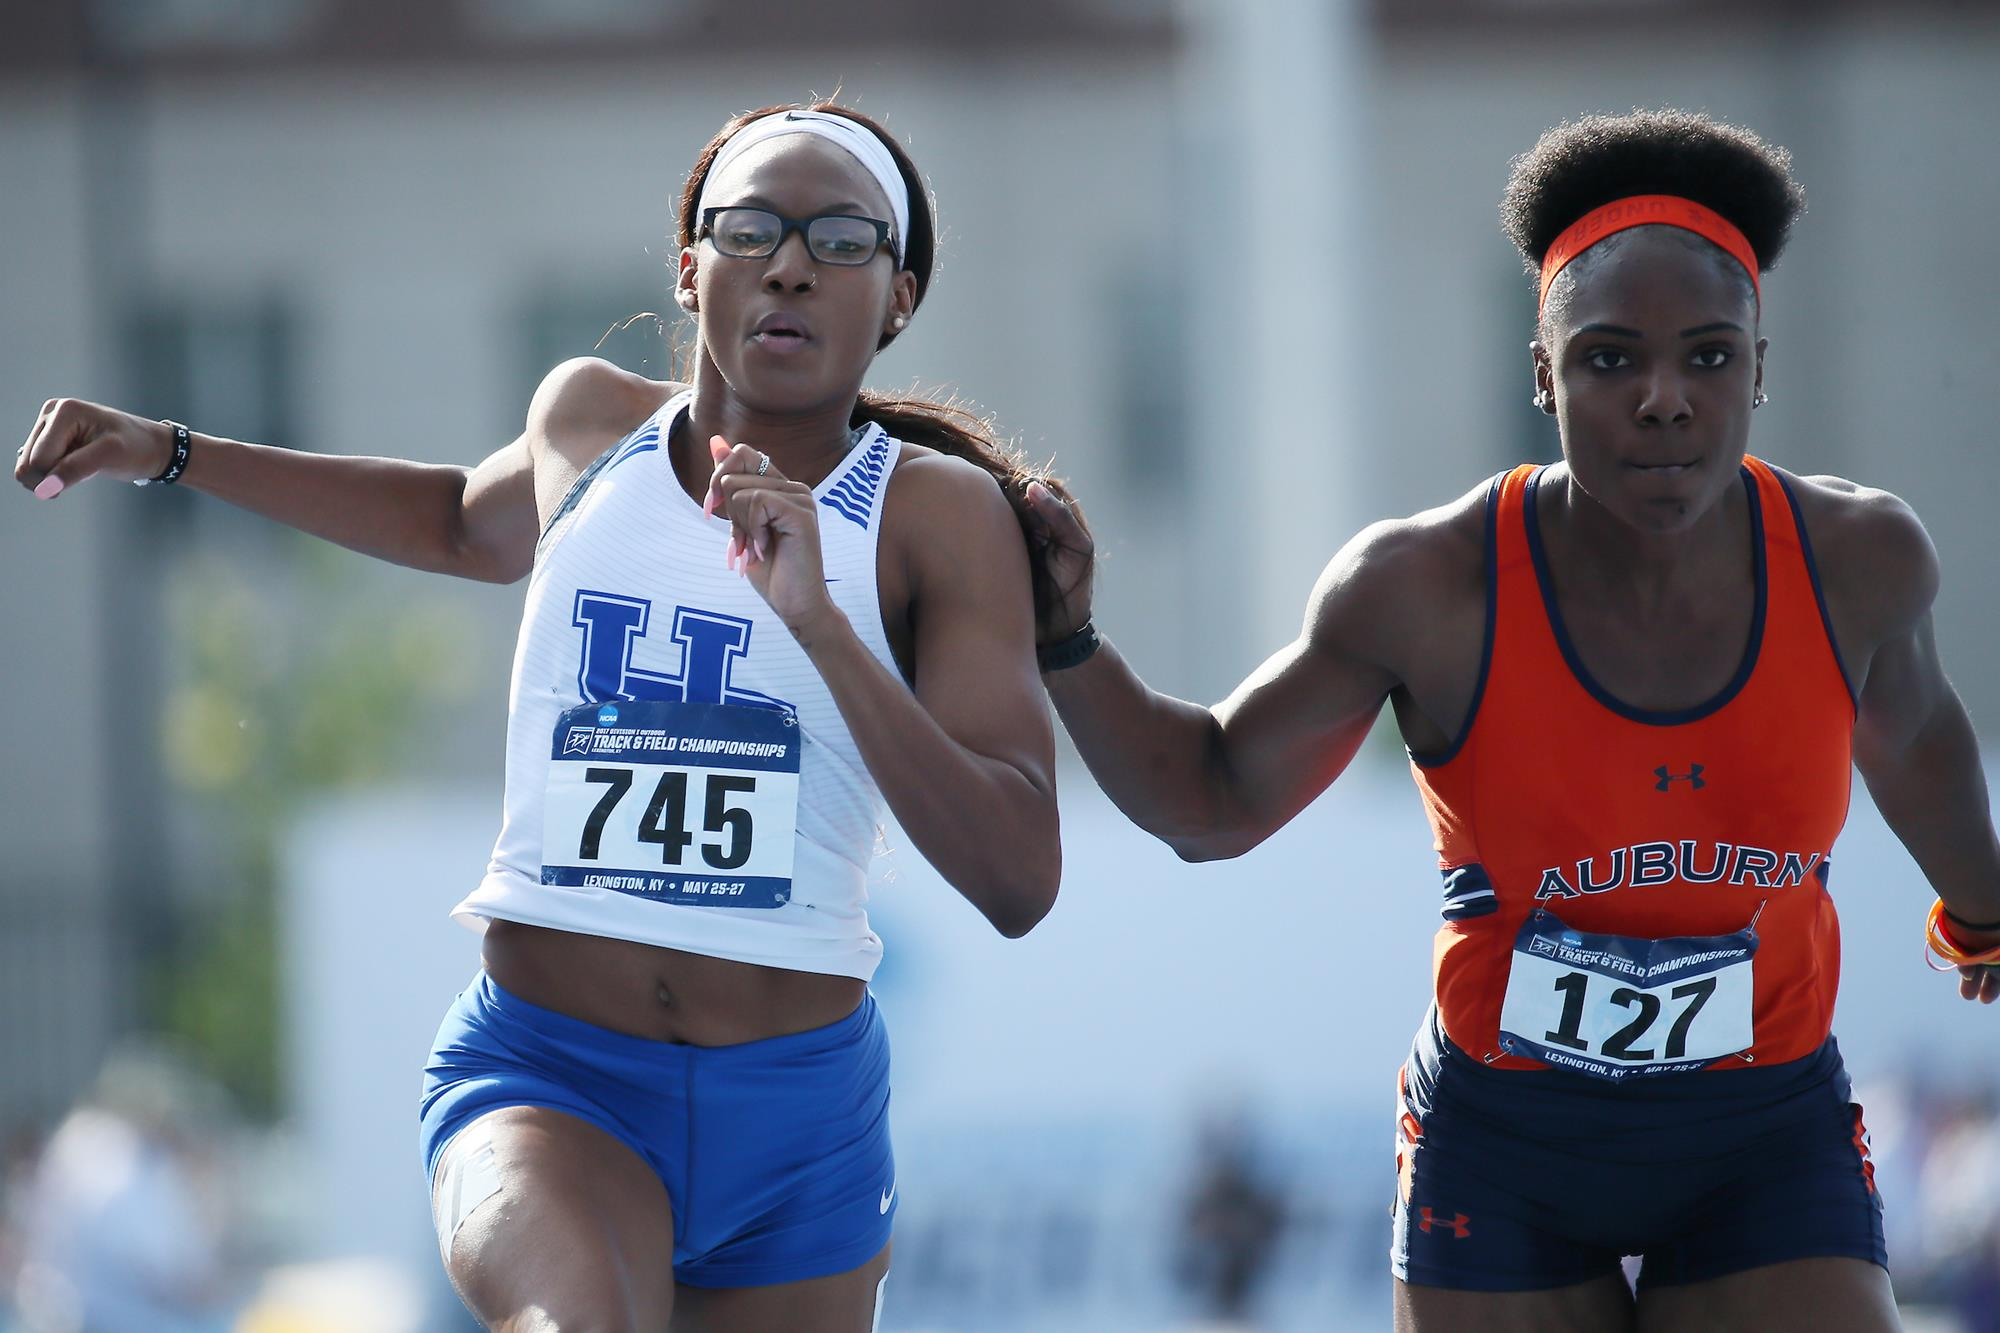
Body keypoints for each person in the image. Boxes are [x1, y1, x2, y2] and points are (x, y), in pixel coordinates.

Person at [17, 101, 1068, 1332]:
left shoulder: (934, 516)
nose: (790, 262)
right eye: (752, 230)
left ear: (897, 297)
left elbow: (1015, 876)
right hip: (553, 1076)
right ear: (690, 268)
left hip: (796, 1117)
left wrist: (822, 625)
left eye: (841, 239)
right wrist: (176, 451)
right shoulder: (587, 424)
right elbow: (456, 520)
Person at [1024, 107, 2000, 1332]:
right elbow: (1210, 800)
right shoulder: (1425, 587)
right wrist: (1064, 636)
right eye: (1606, 358)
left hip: (1760, 1128)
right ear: (1538, 371)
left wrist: (1982, 912)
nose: (1662, 400)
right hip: (1505, 1141)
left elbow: (1915, 744)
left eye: (1706, 356)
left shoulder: (1855, 559)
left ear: (1759, 367)